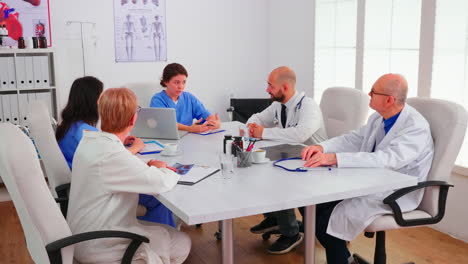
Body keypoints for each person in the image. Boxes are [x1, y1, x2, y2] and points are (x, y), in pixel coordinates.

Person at [301, 73, 434, 264]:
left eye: (374, 91)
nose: (369, 94)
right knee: (313, 204)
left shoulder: (415, 127)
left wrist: (335, 159)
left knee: (325, 223)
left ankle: (341, 259)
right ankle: (344, 258)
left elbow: (387, 160)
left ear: (389, 100)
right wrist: (324, 148)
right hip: (370, 182)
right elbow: (354, 138)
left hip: (396, 192)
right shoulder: (379, 118)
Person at [67, 88, 191, 264]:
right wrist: (163, 168)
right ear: (134, 119)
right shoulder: (112, 154)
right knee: (182, 243)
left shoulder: (90, 142)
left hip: (83, 233)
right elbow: (161, 183)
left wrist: (144, 165)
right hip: (100, 243)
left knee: (168, 235)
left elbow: (118, 167)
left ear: (101, 113)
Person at [56, 76, 175, 227]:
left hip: (87, 189)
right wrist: (136, 149)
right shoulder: (84, 131)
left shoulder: (76, 129)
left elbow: (106, 155)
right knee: (157, 198)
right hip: (100, 193)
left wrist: (118, 140)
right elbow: (111, 159)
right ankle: (159, 236)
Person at [248, 66, 327, 255]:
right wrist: (252, 125)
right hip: (293, 157)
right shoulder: (278, 105)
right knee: (258, 169)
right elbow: (258, 118)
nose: (267, 89)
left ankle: (291, 233)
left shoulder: (308, 106)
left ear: (284, 87)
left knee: (275, 179)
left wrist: (263, 132)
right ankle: (276, 217)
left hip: (315, 163)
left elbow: (300, 134)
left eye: (270, 85)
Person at [150, 63, 221, 133]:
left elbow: (205, 114)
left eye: (183, 82)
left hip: (188, 138)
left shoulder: (189, 98)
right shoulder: (157, 100)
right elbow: (164, 124)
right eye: (176, 82)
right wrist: (189, 128)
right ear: (166, 82)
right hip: (166, 140)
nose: (181, 86)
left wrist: (215, 122)